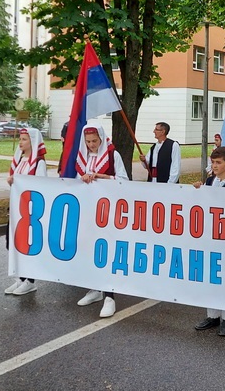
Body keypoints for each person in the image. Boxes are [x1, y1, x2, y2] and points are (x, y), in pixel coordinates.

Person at [75, 121, 129, 317]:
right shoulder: (83, 157)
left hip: (108, 211)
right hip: (89, 210)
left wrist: (102, 177)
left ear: (101, 138)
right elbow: (76, 182)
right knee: (89, 250)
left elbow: (124, 180)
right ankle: (94, 288)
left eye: (94, 141)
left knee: (105, 252)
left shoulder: (113, 155)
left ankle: (109, 297)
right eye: (88, 141)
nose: (91, 145)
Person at [193, 146, 225, 336]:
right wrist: (198, 190)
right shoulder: (209, 182)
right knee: (211, 275)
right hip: (210, 236)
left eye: (218, 162)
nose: (214, 165)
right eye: (213, 162)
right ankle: (212, 315)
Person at [5, 127, 47, 296]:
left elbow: (42, 186)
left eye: (24, 139)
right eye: (20, 139)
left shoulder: (38, 163)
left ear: (33, 142)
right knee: (12, 242)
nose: (20, 142)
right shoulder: (20, 160)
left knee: (28, 245)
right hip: (16, 208)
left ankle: (30, 280)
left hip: (30, 211)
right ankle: (21, 278)